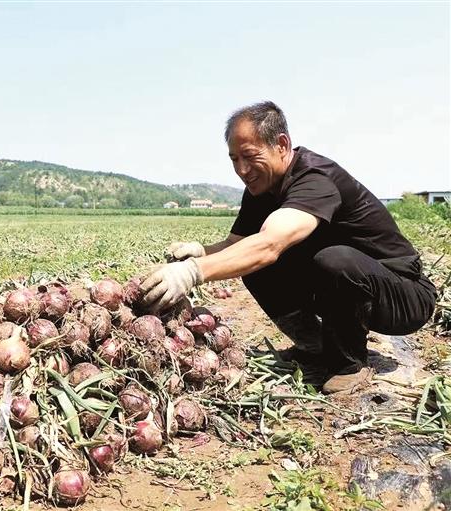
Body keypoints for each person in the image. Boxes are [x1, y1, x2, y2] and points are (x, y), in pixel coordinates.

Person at [140, 101, 436, 394]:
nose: (242, 169)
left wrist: (192, 272)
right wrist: (200, 252)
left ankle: (349, 365)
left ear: (281, 145)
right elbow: (238, 245)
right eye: (234, 159)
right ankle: (315, 347)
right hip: (350, 285)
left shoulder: (315, 178)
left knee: (334, 259)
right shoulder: (261, 189)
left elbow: (269, 243)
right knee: (257, 267)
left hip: (404, 295)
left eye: (249, 156)